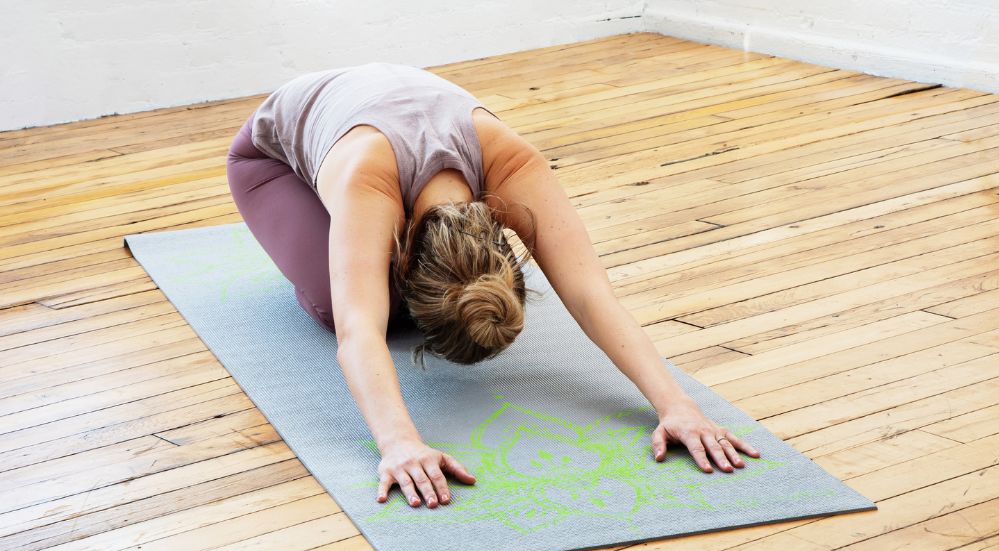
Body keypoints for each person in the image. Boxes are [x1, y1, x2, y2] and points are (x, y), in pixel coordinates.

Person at [225, 62, 761, 510]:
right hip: (270, 160)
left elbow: (590, 291)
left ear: (499, 226)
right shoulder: (367, 180)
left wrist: (676, 404)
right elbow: (357, 331)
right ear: (406, 253)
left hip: (383, 110)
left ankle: (376, 268)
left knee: (386, 290)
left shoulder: (514, 165)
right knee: (345, 306)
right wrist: (399, 443)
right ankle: (337, 245)